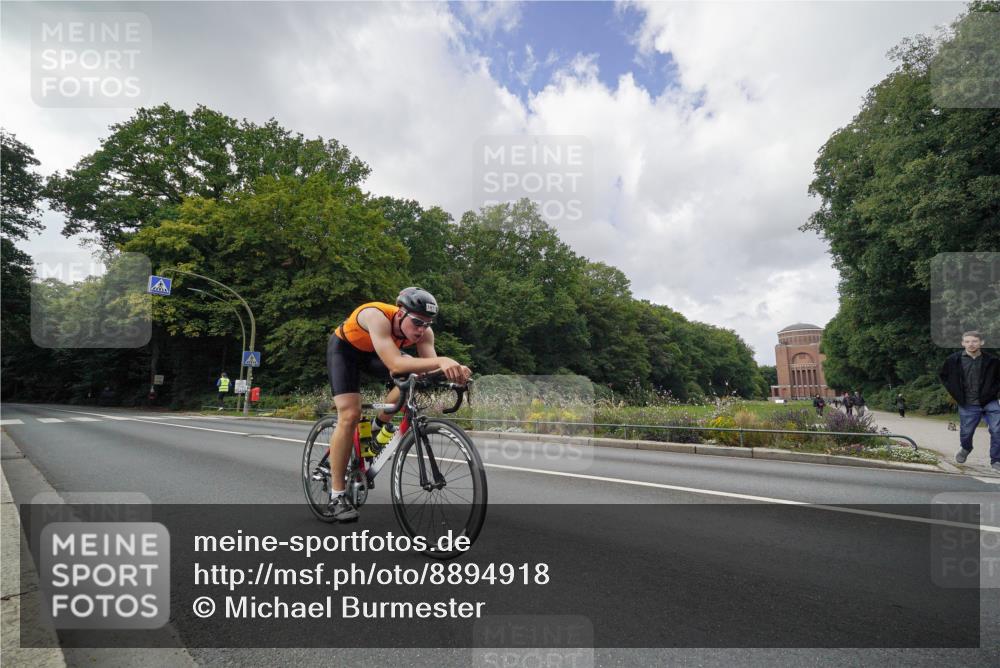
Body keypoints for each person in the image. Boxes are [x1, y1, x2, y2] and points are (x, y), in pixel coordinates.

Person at [324, 287, 472, 521]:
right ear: (400, 312)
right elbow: (394, 363)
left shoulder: (424, 332)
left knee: (415, 375)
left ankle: (375, 426)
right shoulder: (376, 315)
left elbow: (429, 365)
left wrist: (454, 373)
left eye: (427, 324)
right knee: (350, 415)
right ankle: (336, 495)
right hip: (346, 352)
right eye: (416, 322)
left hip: (377, 355)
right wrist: (443, 361)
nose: (421, 329)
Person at [939, 330, 1000, 471]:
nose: (971, 344)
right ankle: (966, 447)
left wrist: (994, 392)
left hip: (990, 401)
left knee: (997, 430)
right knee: (967, 432)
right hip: (967, 403)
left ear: (981, 342)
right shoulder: (953, 360)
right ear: (962, 343)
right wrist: (956, 393)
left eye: (974, 341)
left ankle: (996, 460)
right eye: (967, 341)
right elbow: (944, 376)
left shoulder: (993, 361)